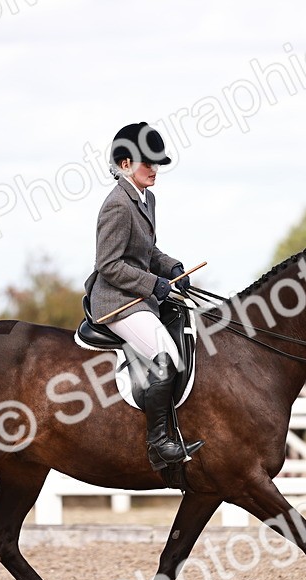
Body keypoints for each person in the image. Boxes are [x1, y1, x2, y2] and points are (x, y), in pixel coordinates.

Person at [83, 121, 204, 472]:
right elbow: (108, 265)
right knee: (164, 355)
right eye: (146, 162)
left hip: (139, 294)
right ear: (124, 166)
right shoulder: (117, 205)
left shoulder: (146, 198)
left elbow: (146, 252)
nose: (154, 169)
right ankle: (159, 444)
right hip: (117, 300)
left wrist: (172, 269)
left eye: (156, 163)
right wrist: (154, 285)